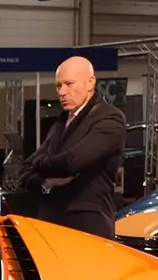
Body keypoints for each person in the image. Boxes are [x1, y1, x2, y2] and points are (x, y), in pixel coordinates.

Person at [18, 55, 126, 240]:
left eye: (69, 84)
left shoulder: (109, 118)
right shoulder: (60, 122)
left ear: (90, 83)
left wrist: (39, 164)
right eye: (59, 86)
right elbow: (24, 172)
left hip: (87, 228)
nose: (62, 91)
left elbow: (73, 162)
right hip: (51, 228)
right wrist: (46, 183)